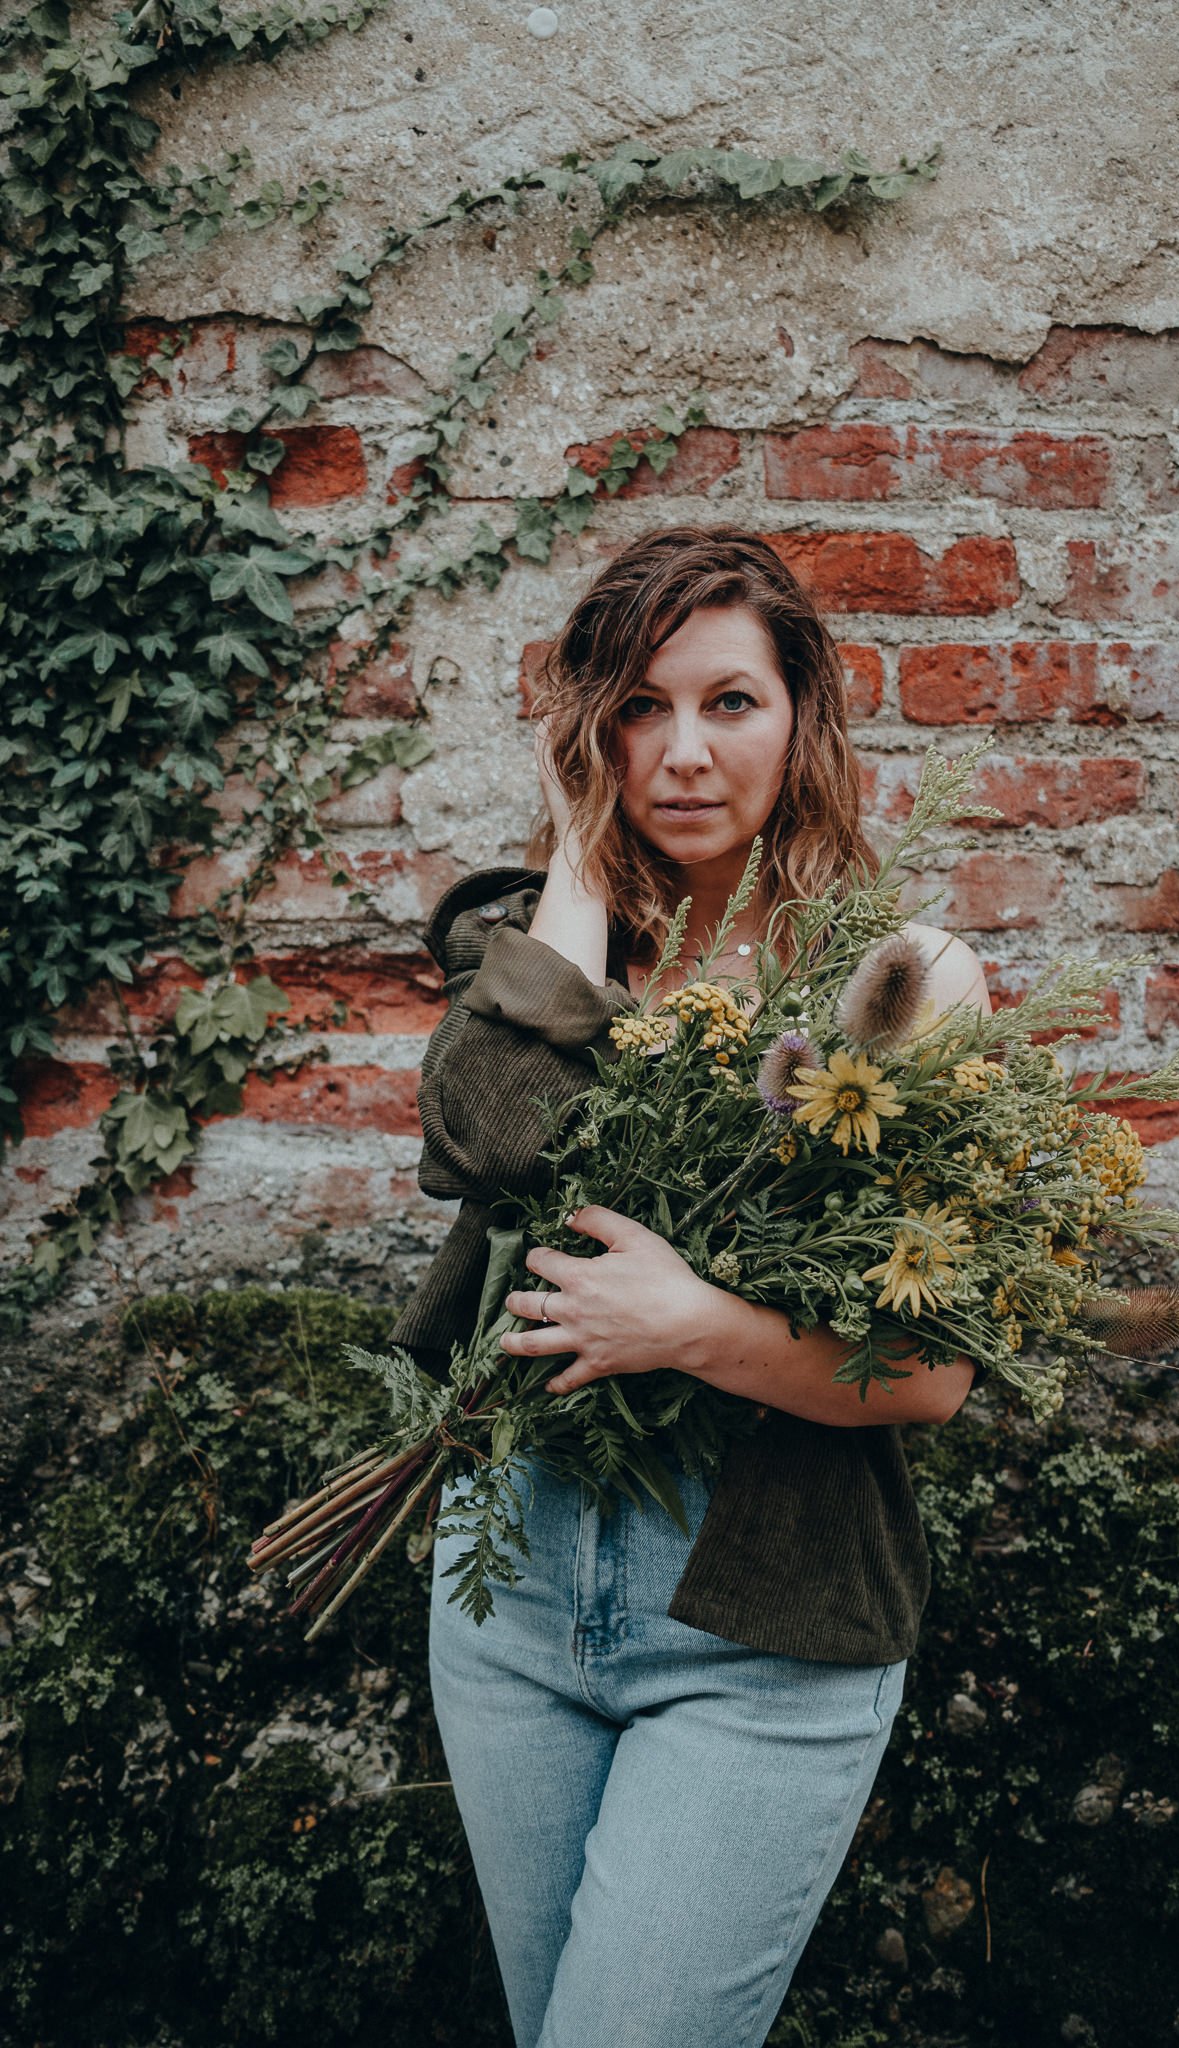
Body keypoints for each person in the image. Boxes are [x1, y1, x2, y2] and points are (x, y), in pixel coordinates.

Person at [392, 525, 989, 2048]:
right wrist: (581, 860)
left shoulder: (894, 994)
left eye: (729, 703)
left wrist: (697, 1330)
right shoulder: (527, 945)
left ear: (800, 723)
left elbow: (935, 1373)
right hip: (509, 1600)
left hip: (757, 1638)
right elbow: (488, 1137)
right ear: (589, 729)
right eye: (637, 708)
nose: (680, 751)